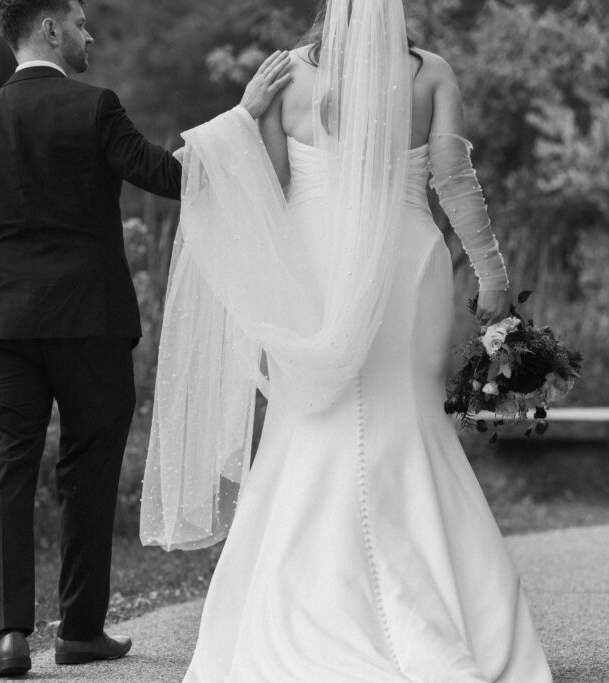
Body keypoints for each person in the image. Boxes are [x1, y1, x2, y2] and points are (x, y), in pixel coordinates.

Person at [140, 0, 554, 680]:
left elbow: (264, 189)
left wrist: (246, 119)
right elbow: (453, 178)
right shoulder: (431, 74)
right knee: (410, 423)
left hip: (312, 268)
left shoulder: (286, 78)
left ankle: (301, 609)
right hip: (406, 266)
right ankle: (450, 617)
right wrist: (491, 272)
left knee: (308, 425)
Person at [0, 0, 290, 677]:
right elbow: (171, 177)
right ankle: (81, 631)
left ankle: (8, 637)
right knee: (88, 472)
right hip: (91, 322)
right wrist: (242, 118)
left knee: (8, 469)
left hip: (3, 328)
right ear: (51, 29)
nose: (90, 35)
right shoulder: (96, 110)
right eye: (83, 23)